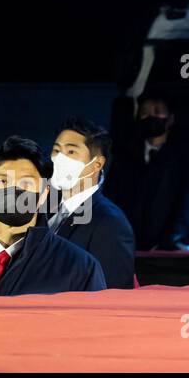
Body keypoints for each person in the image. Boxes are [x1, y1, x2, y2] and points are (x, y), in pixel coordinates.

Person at [0, 136, 106, 296]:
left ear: (44, 194)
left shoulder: (80, 267)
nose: (13, 190)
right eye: (3, 181)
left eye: (26, 183)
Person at [105, 91, 189, 251]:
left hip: (167, 250)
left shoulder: (187, 159)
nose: (151, 117)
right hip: (129, 247)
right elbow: (111, 200)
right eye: (144, 113)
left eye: (157, 111)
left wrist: (176, 237)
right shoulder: (124, 159)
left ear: (170, 119)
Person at [48, 117, 136, 289]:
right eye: (56, 151)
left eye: (71, 152)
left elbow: (112, 292)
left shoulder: (110, 222)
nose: (60, 159)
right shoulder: (45, 210)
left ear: (97, 164)